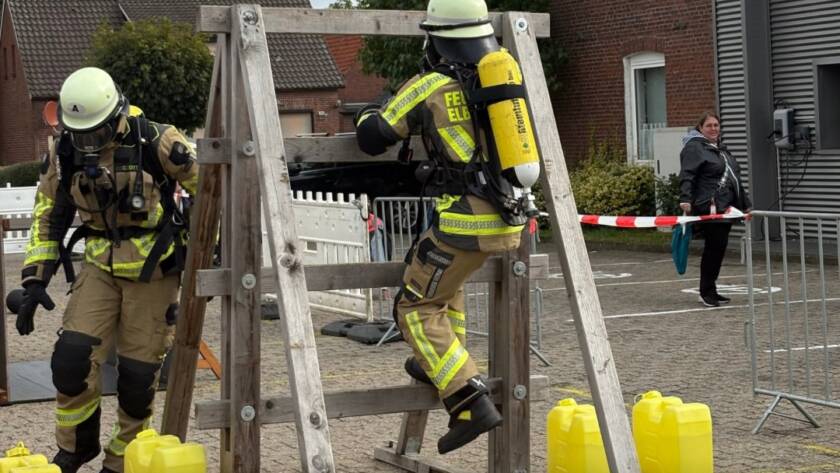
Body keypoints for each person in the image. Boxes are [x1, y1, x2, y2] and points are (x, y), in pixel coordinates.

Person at [355, 0, 540, 455]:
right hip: (506, 215)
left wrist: (374, 105)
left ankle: (467, 401)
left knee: (413, 307)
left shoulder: (429, 84)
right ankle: (436, 363)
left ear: (435, 39)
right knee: (444, 290)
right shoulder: (499, 83)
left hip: (464, 220)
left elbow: (373, 136)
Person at [13, 67, 198, 473]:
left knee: (136, 378)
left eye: (96, 134)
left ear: (117, 113)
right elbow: (49, 213)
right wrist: (34, 280)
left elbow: (213, 187)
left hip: (154, 269)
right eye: (81, 135)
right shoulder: (65, 150)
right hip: (99, 262)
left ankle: (121, 460)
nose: (89, 144)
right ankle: (76, 447)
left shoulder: (159, 140)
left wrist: (210, 251)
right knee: (71, 359)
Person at [679, 111, 751, 307]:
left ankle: (711, 289)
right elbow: (687, 174)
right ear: (700, 128)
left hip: (725, 207)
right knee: (713, 249)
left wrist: (746, 205)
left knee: (718, 249)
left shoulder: (720, 150)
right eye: (709, 125)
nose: (713, 129)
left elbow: (735, 179)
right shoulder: (695, 148)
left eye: (716, 125)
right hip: (709, 206)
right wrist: (685, 198)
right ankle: (706, 291)